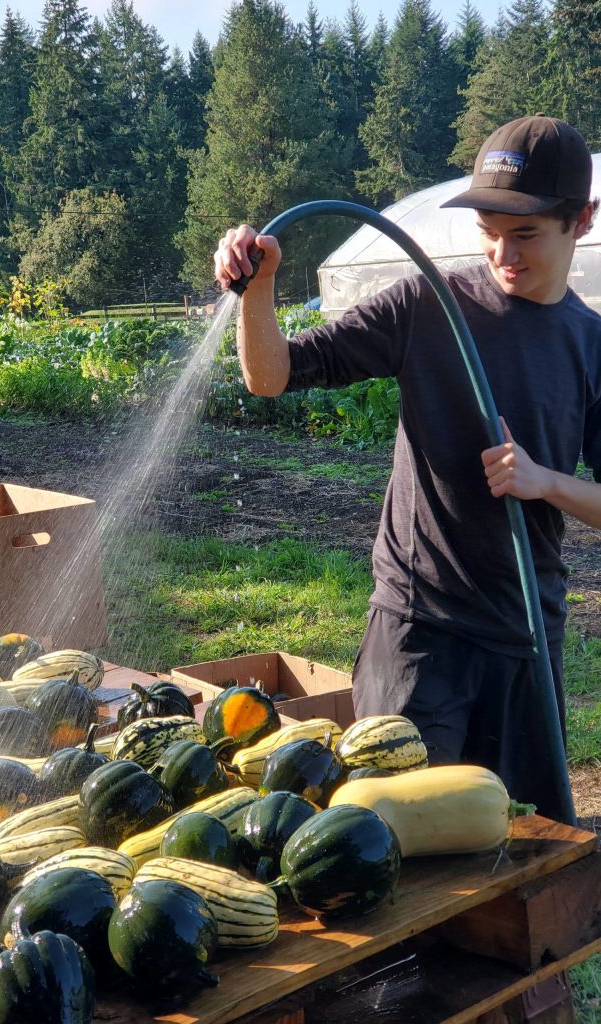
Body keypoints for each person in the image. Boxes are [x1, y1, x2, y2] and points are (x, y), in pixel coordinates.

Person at [213, 115, 601, 823]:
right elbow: (272, 376)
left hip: (526, 636)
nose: (503, 253)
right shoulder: (427, 305)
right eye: (488, 231)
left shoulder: (591, 345)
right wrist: (258, 288)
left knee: (530, 847)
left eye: (525, 234)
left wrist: (545, 481)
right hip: (419, 632)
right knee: (396, 841)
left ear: (582, 220)